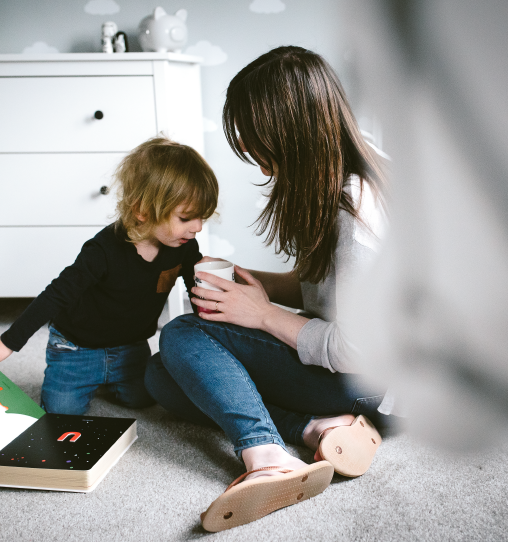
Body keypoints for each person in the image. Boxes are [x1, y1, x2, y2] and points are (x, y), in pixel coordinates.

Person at [145, 46, 392, 532]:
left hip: (375, 383)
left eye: (261, 147)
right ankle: (320, 427)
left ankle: (269, 458)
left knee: (181, 337)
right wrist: (263, 286)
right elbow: (333, 291)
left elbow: (360, 349)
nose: (261, 165)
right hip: (361, 385)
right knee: (161, 377)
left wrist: (260, 314)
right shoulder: (344, 172)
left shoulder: (354, 210)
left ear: (292, 135)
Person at [0, 137, 218, 415]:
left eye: (202, 217)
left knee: (143, 399)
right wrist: (8, 342)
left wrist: (212, 324)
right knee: (62, 413)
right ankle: (88, 379)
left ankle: (111, 379)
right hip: (77, 348)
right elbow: (55, 295)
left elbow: (197, 290)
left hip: (129, 347)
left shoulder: (183, 246)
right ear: (142, 211)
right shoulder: (102, 250)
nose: (196, 227)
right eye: (186, 218)